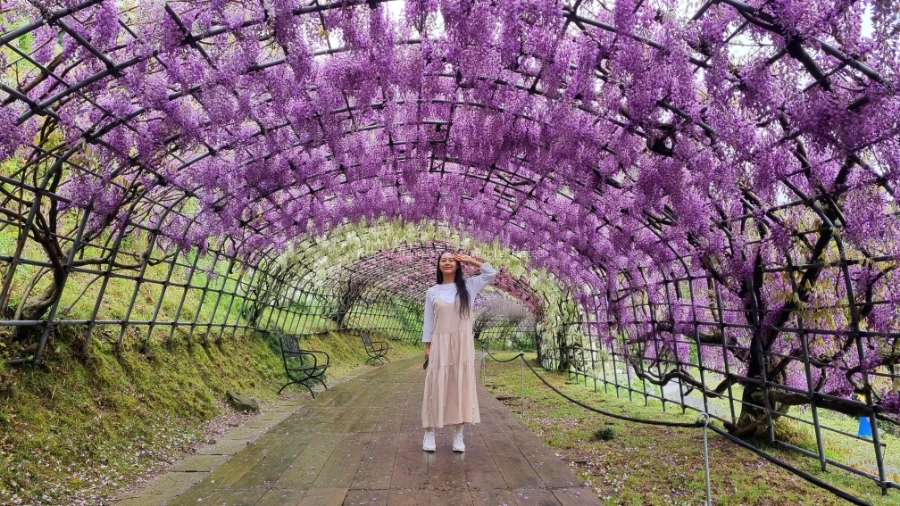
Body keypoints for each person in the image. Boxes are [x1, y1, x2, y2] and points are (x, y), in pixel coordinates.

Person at [421, 251, 497, 452]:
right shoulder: (432, 292)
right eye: (443, 260)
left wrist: (470, 260)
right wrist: (427, 347)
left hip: (462, 345)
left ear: (457, 265)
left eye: (451, 260)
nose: (447, 263)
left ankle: (458, 436)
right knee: (435, 386)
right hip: (440, 343)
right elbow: (429, 321)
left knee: (460, 386)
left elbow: (490, 273)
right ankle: (429, 433)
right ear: (438, 265)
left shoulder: (469, 287)